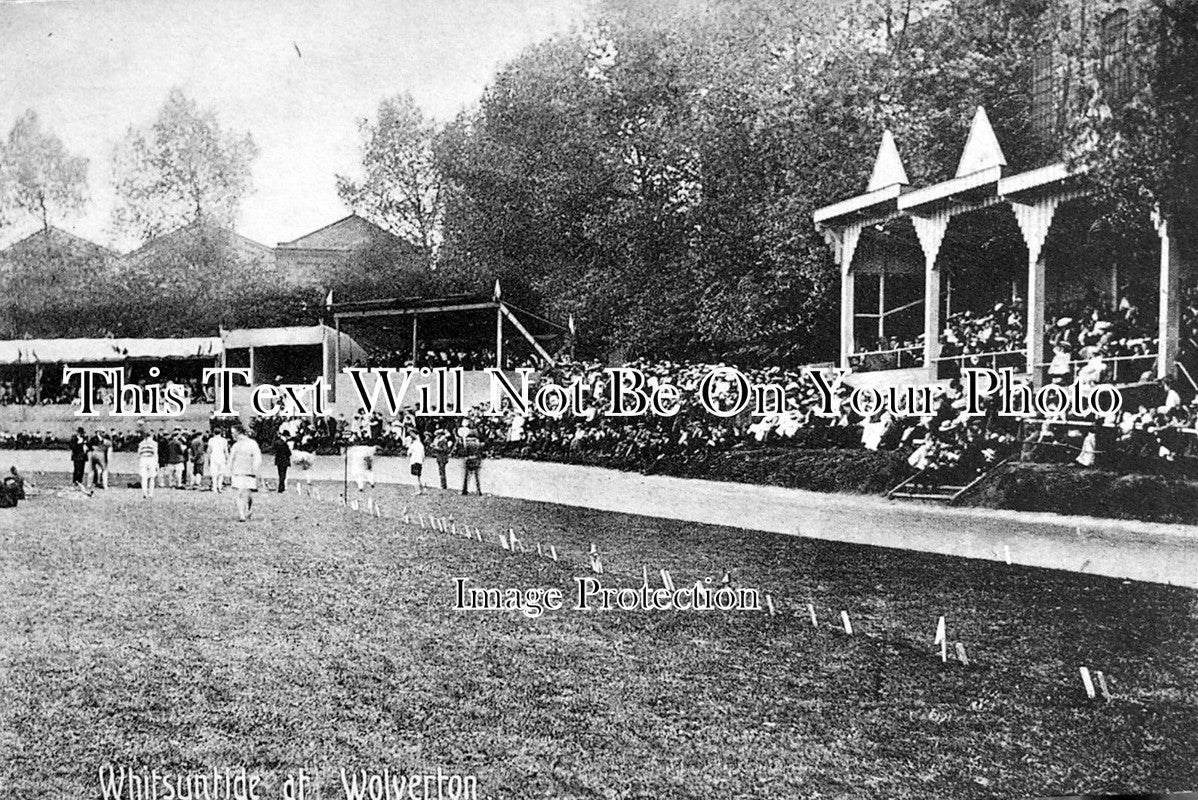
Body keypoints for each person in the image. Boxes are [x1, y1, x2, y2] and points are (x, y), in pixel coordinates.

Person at [228, 426, 262, 522]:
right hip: (238, 472)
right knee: (239, 493)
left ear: (239, 433)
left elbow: (257, 457)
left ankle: (248, 509)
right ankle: (241, 515)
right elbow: (231, 459)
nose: (232, 435)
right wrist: (229, 470)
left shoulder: (252, 443)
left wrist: (256, 469)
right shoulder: (235, 445)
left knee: (247, 494)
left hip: (249, 472)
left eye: (233, 432)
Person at [345, 437, 377, 510]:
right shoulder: (367, 448)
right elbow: (371, 454)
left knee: (359, 476)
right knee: (368, 473)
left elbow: (347, 454)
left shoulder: (354, 449)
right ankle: (371, 483)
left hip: (357, 465)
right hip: (363, 462)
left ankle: (361, 487)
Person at [460, 425, 483, 496]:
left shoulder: (467, 444)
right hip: (476, 459)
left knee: (466, 477)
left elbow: (464, 452)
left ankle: (464, 490)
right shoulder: (478, 444)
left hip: (469, 460)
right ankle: (479, 491)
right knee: (477, 477)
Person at [137, 430, 158, 499]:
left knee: (144, 477)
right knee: (152, 477)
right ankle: (151, 494)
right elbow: (155, 454)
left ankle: (144, 493)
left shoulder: (141, 443)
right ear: (151, 435)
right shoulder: (154, 443)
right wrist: (156, 463)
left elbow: (138, 454)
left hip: (143, 459)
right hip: (151, 459)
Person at [207, 428, 230, 493]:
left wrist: (208, 459)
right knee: (221, 473)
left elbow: (209, 450)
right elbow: (226, 451)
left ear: (214, 432)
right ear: (221, 433)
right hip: (221, 457)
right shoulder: (224, 440)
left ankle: (214, 488)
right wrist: (227, 459)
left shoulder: (211, 440)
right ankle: (219, 487)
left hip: (214, 457)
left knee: (214, 473)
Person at [407, 431, 426, 495]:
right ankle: (423, 490)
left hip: (414, 461)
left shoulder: (413, 445)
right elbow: (423, 455)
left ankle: (417, 490)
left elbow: (408, 453)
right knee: (419, 476)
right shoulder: (421, 445)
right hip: (420, 462)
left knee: (414, 477)